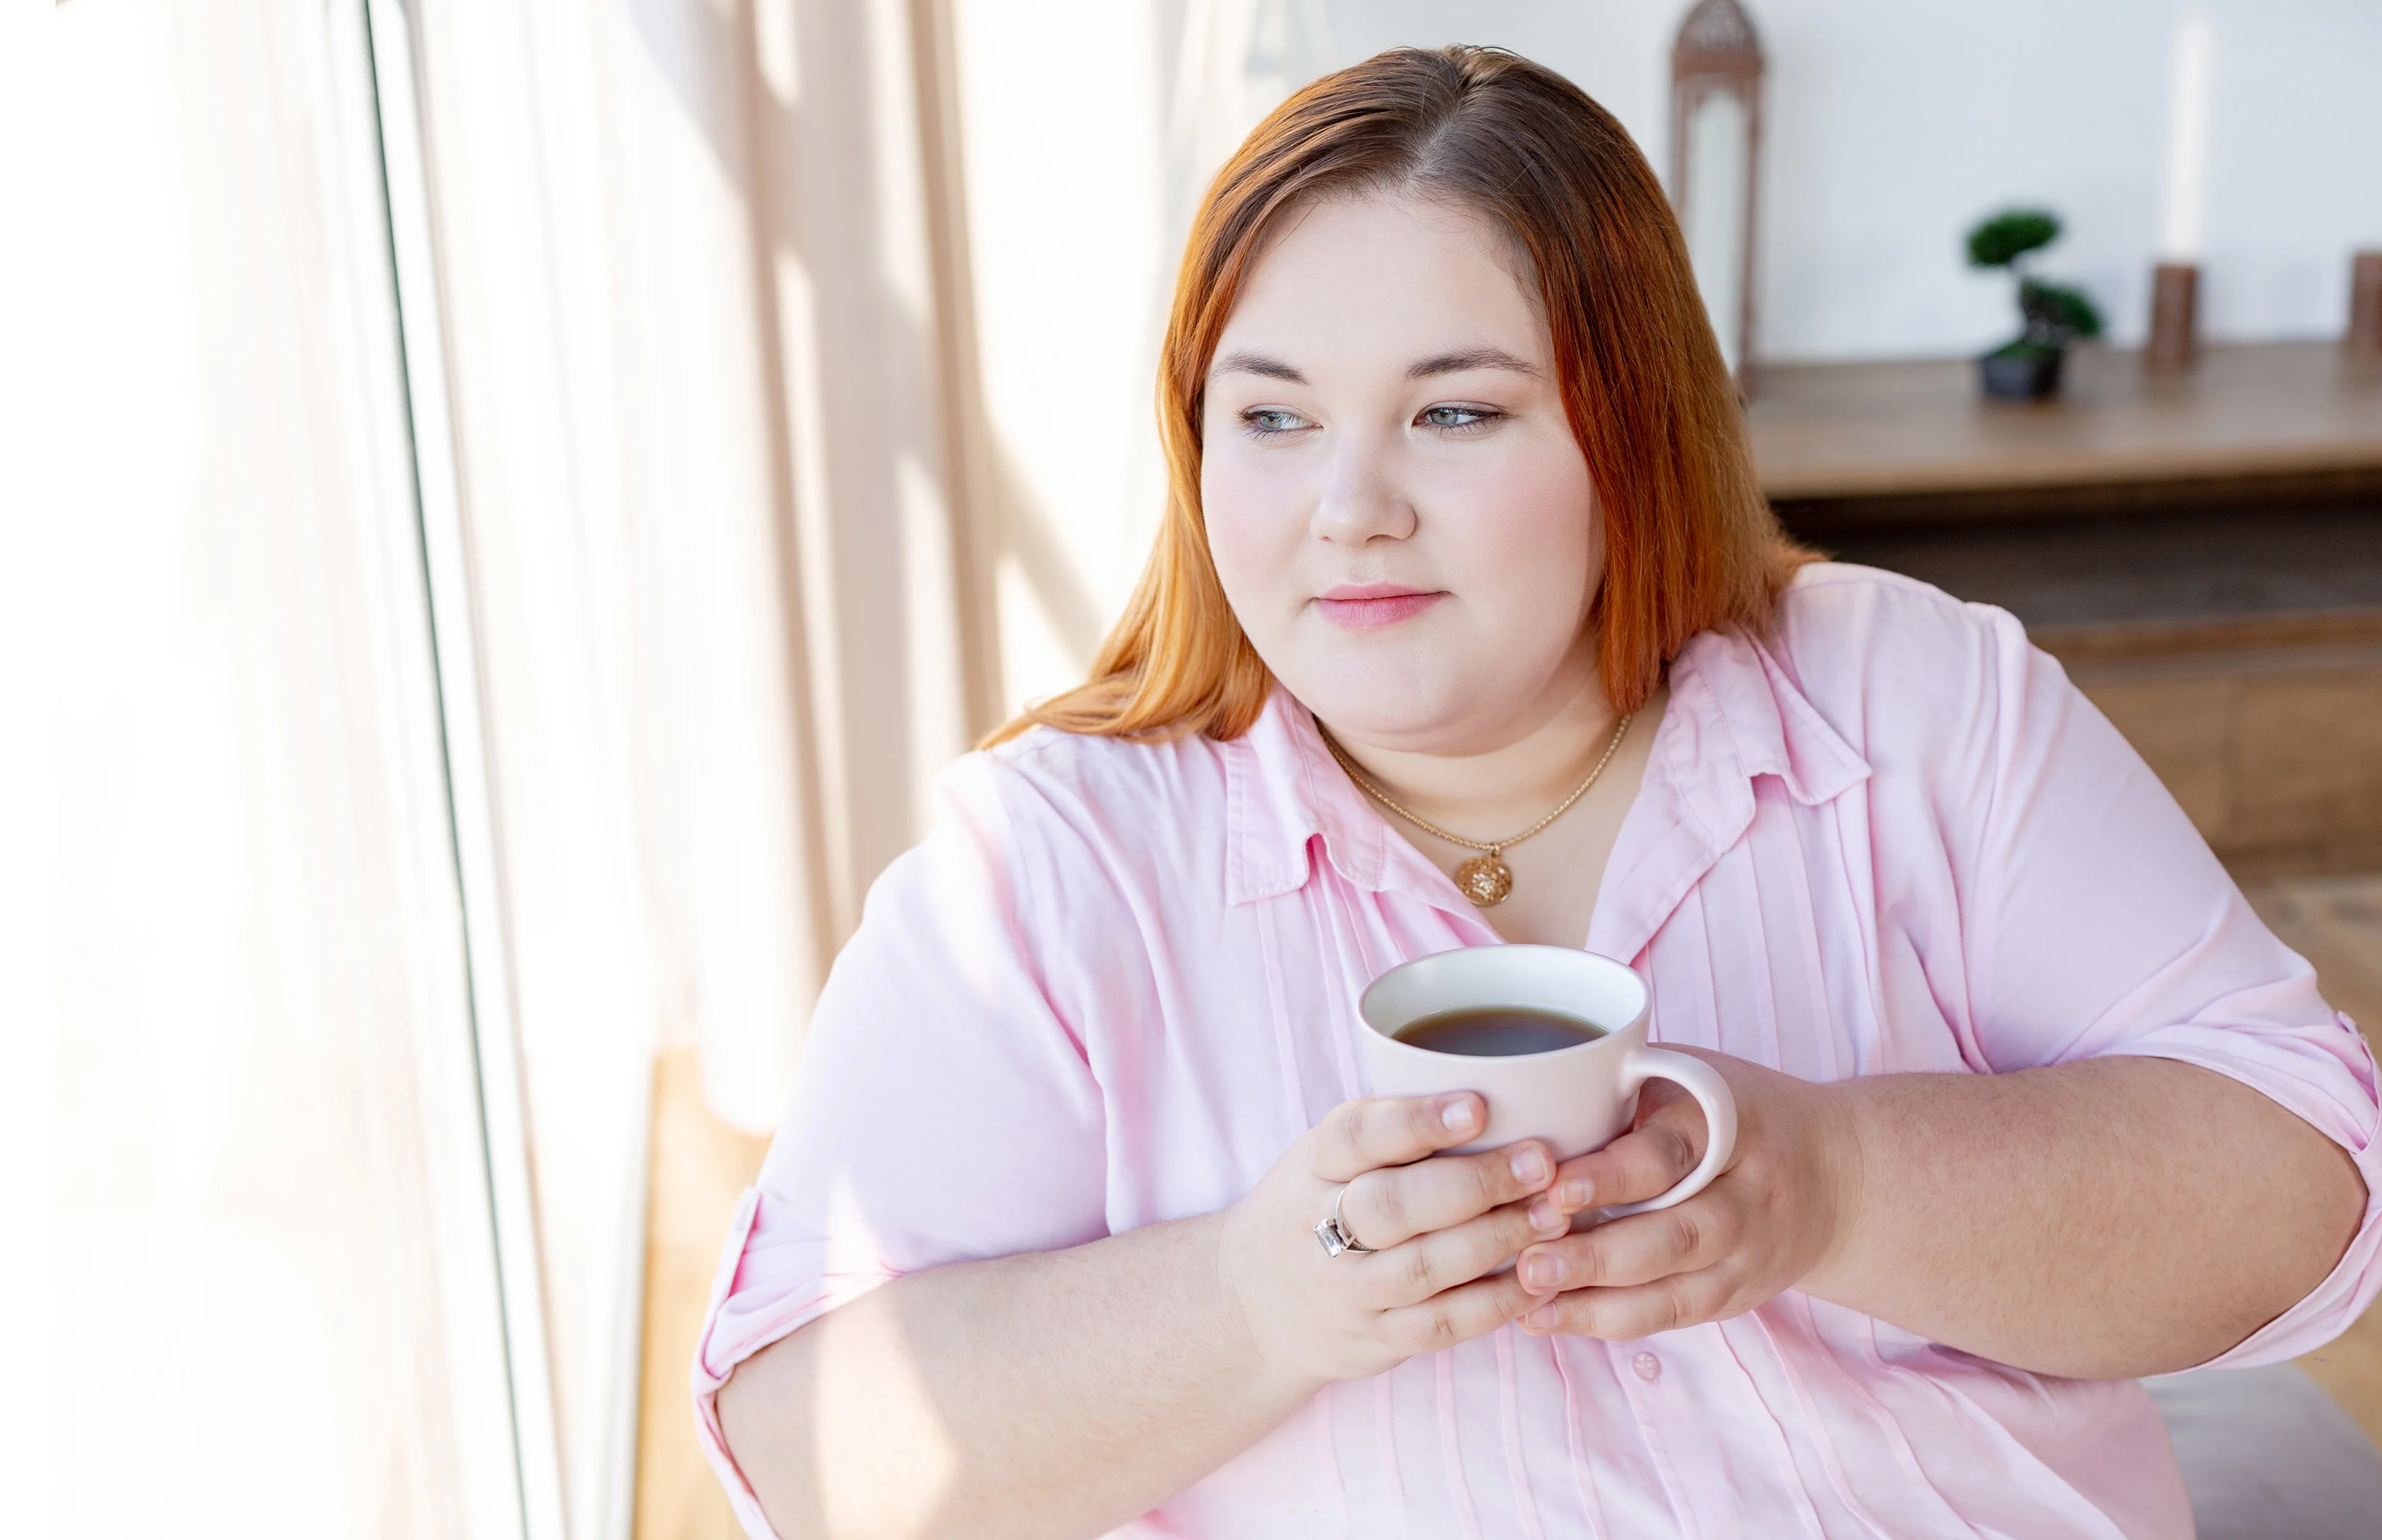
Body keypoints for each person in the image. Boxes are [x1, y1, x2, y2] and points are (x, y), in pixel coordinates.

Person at [695, 46, 2380, 1539]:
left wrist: (1838, 1183)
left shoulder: (1910, 699)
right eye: (1270, 417)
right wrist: (1254, 1300)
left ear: (1628, 435)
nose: (1349, 507)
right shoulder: (1057, 864)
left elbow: (2312, 1186)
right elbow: (800, 1439)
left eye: (1453, 412)